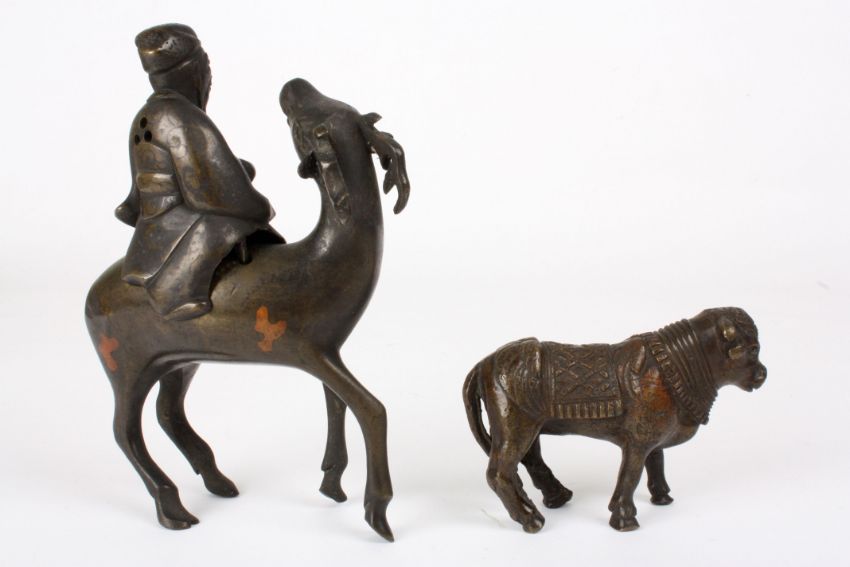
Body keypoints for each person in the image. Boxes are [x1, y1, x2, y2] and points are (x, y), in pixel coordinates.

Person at [115, 24, 281, 321]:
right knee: (231, 220)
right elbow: (211, 195)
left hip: (152, 227)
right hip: (183, 228)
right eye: (206, 69)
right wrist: (259, 204)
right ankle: (175, 290)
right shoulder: (181, 118)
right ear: (193, 71)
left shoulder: (147, 114)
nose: (208, 79)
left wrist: (235, 169)